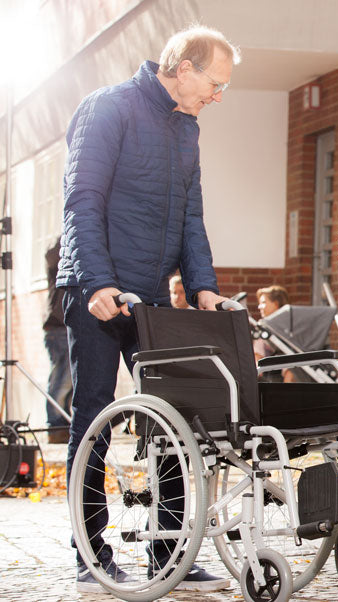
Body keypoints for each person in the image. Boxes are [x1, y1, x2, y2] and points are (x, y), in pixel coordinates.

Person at [57, 24, 238, 593]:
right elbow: (82, 200)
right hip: (97, 290)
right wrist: (97, 282)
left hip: (151, 297)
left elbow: (191, 216)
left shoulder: (187, 130)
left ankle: (170, 552)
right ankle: (90, 552)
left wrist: (203, 285)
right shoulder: (107, 108)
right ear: (183, 66)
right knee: (93, 416)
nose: (217, 95)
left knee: (172, 419)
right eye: (215, 83)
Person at [43, 239, 71, 444]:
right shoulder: (57, 254)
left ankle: (62, 422)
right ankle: (54, 425)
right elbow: (51, 255)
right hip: (58, 326)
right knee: (62, 378)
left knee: (68, 380)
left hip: (65, 325)